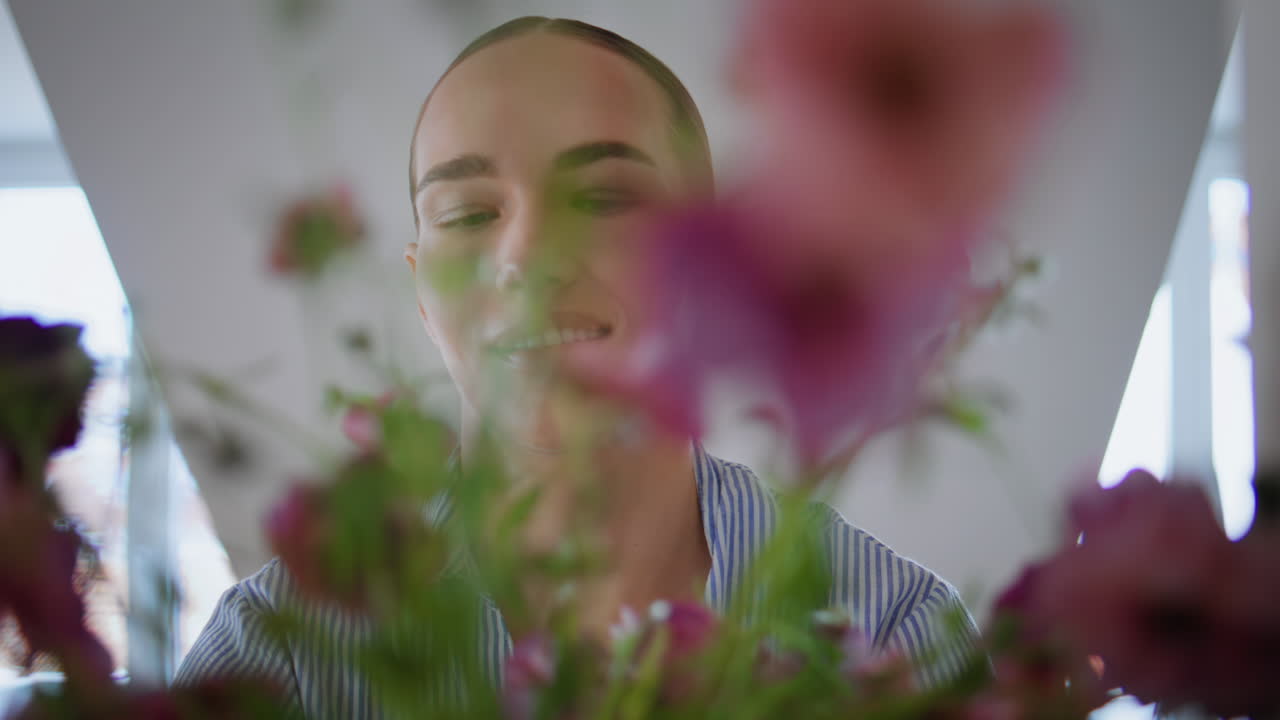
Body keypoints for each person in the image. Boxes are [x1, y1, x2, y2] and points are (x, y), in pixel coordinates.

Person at [174, 16, 981, 717]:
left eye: (603, 198)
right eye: (468, 214)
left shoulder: (899, 637)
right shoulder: (277, 655)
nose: (524, 256)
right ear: (420, 286)